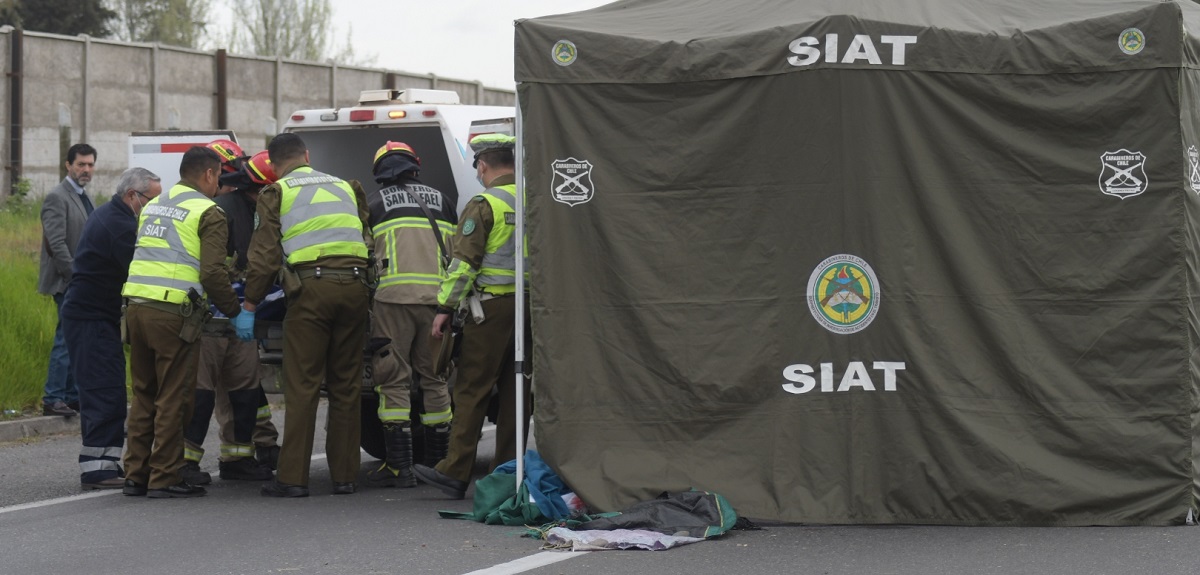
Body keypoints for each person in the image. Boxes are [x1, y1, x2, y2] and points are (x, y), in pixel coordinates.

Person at [237, 132, 372, 498]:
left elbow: (263, 257)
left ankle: (293, 478)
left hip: (312, 290)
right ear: (307, 156)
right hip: (357, 286)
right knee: (346, 386)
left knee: (304, 384)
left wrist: (249, 305)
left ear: (273, 164)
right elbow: (367, 238)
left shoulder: (277, 192)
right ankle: (345, 477)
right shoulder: (346, 186)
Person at [413, 134, 532, 500]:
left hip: (491, 310)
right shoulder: (535, 199)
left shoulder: (485, 204)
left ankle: (454, 471)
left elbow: (463, 264)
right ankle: (509, 473)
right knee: (518, 392)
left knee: (472, 390)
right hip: (529, 308)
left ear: (483, 165)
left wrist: (445, 309)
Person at [121, 146, 241, 499]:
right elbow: (213, 273)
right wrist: (237, 310)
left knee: (144, 394)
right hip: (172, 314)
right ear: (208, 174)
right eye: (218, 176)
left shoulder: (154, 205)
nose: (218, 183)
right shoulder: (208, 211)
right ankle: (165, 477)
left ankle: (135, 474)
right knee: (174, 396)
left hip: (135, 309)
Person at [61, 167, 162, 490]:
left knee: (104, 386)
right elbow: (142, 273)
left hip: (93, 315)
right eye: (152, 201)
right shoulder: (120, 226)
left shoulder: (112, 213)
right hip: (90, 317)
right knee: (104, 390)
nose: (153, 209)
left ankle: (103, 463)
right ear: (133, 195)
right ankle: (98, 469)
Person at [363, 141, 456, 488]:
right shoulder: (443, 201)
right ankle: (437, 464)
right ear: (415, 166)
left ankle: (400, 468)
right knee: (435, 379)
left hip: (393, 301)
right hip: (437, 303)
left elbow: (365, 253)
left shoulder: (374, 203)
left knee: (393, 380)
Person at [181, 147, 275, 485]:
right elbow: (211, 270)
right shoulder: (220, 211)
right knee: (201, 392)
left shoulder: (258, 211)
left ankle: (238, 457)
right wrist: (238, 312)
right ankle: (185, 462)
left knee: (245, 389)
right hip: (212, 317)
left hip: (241, 314)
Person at [38, 143, 97, 417]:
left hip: (82, 281)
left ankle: (72, 397)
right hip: (67, 282)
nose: (86, 170)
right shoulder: (57, 197)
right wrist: (76, 277)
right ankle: (53, 398)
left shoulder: (85, 196)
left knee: (77, 339)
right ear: (68, 165)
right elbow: (56, 243)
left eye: (90, 165)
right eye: (81, 164)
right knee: (65, 339)